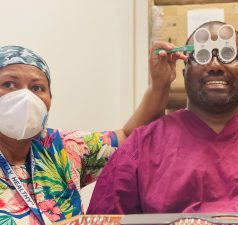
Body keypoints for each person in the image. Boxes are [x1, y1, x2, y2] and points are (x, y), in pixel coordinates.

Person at [87, 21, 238, 218]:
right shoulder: (140, 148)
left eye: (227, 54)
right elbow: (105, 219)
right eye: (202, 56)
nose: (216, 65)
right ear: (184, 72)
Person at [0, 44, 187, 225]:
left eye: (36, 88)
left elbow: (131, 137)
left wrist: (159, 85)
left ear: (50, 100)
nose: (25, 97)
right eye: (9, 84)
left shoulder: (63, 147)